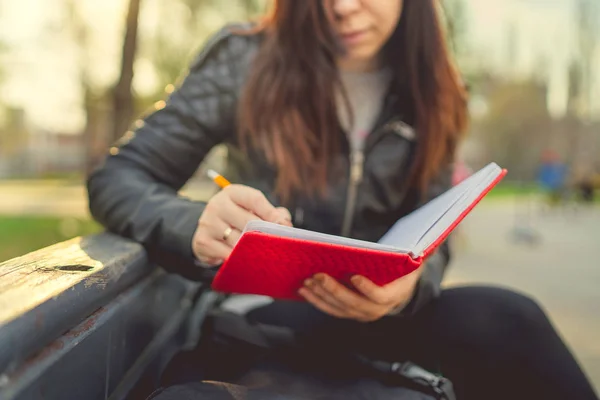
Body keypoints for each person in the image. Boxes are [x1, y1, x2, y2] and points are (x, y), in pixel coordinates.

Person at [86, 1, 598, 399]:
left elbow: (437, 227)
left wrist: (413, 285)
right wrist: (192, 224)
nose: (343, 9)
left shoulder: (436, 88)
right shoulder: (242, 59)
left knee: (512, 316)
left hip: (381, 315)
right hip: (268, 313)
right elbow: (118, 176)